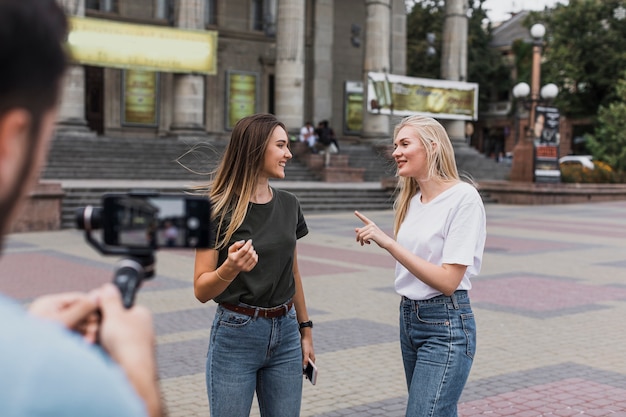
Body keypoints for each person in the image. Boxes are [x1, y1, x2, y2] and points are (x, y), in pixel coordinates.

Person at [0, 1, 162, 416]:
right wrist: (139, 375)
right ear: (10, 142)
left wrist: (26, 333)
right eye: (48, 136)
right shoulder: (59, 381)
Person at [354, 115, 486, 417]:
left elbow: (448, 280)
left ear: (432, 146)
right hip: (409, 318)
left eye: (404, 144)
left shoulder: (463, 198)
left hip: (446, 323)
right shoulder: (411, 200)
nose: (396, 152)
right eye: (395, 145)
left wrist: (388, 243)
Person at [194, 113, 315, 417]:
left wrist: (306, 330)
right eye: (281, 145)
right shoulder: (215, 208)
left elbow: (294, 272)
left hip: (286, 331)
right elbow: (201, 289)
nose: (288, 154)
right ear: (256, 148)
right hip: (236, 334)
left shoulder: (289, 204)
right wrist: (229, 269)